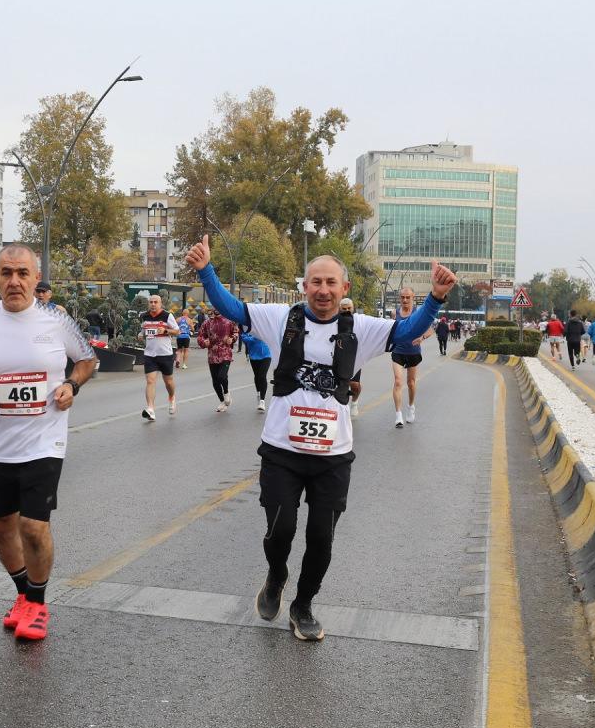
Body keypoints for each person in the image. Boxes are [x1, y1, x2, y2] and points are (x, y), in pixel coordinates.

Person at [186, 236, 455, 641]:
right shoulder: (282, 318)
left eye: (331, 283)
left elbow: (406, 332)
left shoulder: (361, 328)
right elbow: (232, 307)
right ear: (304, 286)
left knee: (321, 538)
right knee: (280, 530)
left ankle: (304, 604)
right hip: (282, 450)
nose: (323, 290)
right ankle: (276, 577)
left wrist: (434, 298)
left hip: (332, 456)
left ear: (344, 289)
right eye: (316, 282)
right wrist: (206, 269)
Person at [0, 243, 96, 642]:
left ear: (35, 276)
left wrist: (71, 384)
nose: (14, 281)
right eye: (6, 273)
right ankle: (23, 595)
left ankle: (39, 603)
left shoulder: (54, 320)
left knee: (32, 526)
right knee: (1, 527)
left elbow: (87, 360)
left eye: (22, 273)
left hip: (45, 442)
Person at [391, 288, 430, 429]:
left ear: (413, 297)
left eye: (408, 297)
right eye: (402, 297)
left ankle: (411, 406)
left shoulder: (418, 313)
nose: (405, 300)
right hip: (398, 351)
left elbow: (430, 329)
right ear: (399, 298)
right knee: (397, 381)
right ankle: (398, 415)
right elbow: (390, 329)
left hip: (413, 351)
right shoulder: (394, 313)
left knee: (411, 383)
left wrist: (422, 337)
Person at [139, 293, 180, 421]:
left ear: (160, 303)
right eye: (151, 302)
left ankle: (172, 397)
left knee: (168, 381)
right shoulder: (144, 316)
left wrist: (166, 331)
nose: (153, 304)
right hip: (150, 354)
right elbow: (144, 330)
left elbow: (177, 331)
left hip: (165, 354)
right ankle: (150, 409)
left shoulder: (167, 316)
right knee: (150, 381)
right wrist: (140, 335)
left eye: (155, 302)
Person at [197, 307, 238, 412]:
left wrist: (232, 339)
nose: (216, 310)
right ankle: (222, 401)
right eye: (214, 307)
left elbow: (236, 332)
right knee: (215, 381)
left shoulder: (229, 321)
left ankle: (227, 392)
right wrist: (204, 342)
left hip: (225, 353)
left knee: (222, 376)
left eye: (218, 307)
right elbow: (200, 336)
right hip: (212, 355)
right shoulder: (207, 323)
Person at [339, 298, 364, 418]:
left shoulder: (358, 321)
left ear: (353, 308)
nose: (347, 311)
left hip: (354, 357)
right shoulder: (335, 320)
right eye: (344, 309)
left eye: (349, 308)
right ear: (339, 309)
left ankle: (354, 402)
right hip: (338, 356)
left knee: (354, 385)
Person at [240, 327, 272, 413]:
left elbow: (270, 335)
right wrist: (254, 338)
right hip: (254, 356)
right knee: (257, 376)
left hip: (266, 354)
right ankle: (258, 392)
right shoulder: (247, 326)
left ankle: (262, 401)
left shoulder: (263, 325)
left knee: (262, 376)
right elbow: (243, 338)